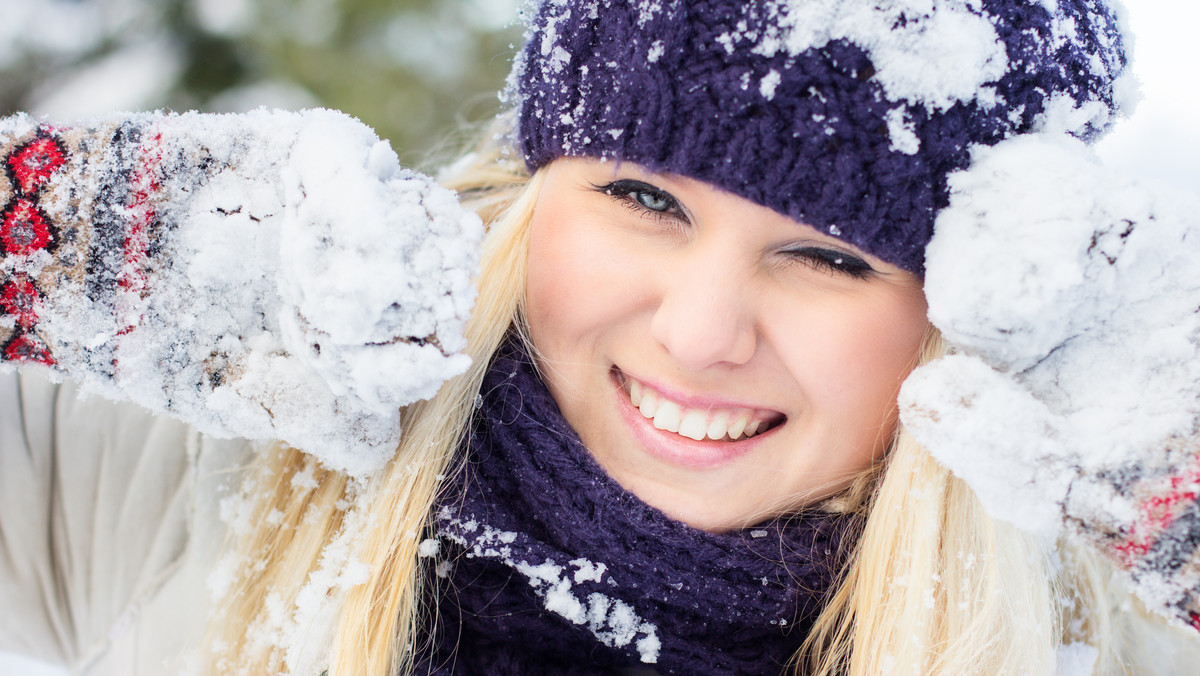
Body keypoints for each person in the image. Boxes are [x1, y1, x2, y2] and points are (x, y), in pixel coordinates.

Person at [2, 1, 1200, 675]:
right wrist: (45, 238)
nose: (700, 331)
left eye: (831, 256)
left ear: (975, 312)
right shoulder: (202, 475)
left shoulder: (1092, 644)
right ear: (535, 193)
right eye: (644, 200)